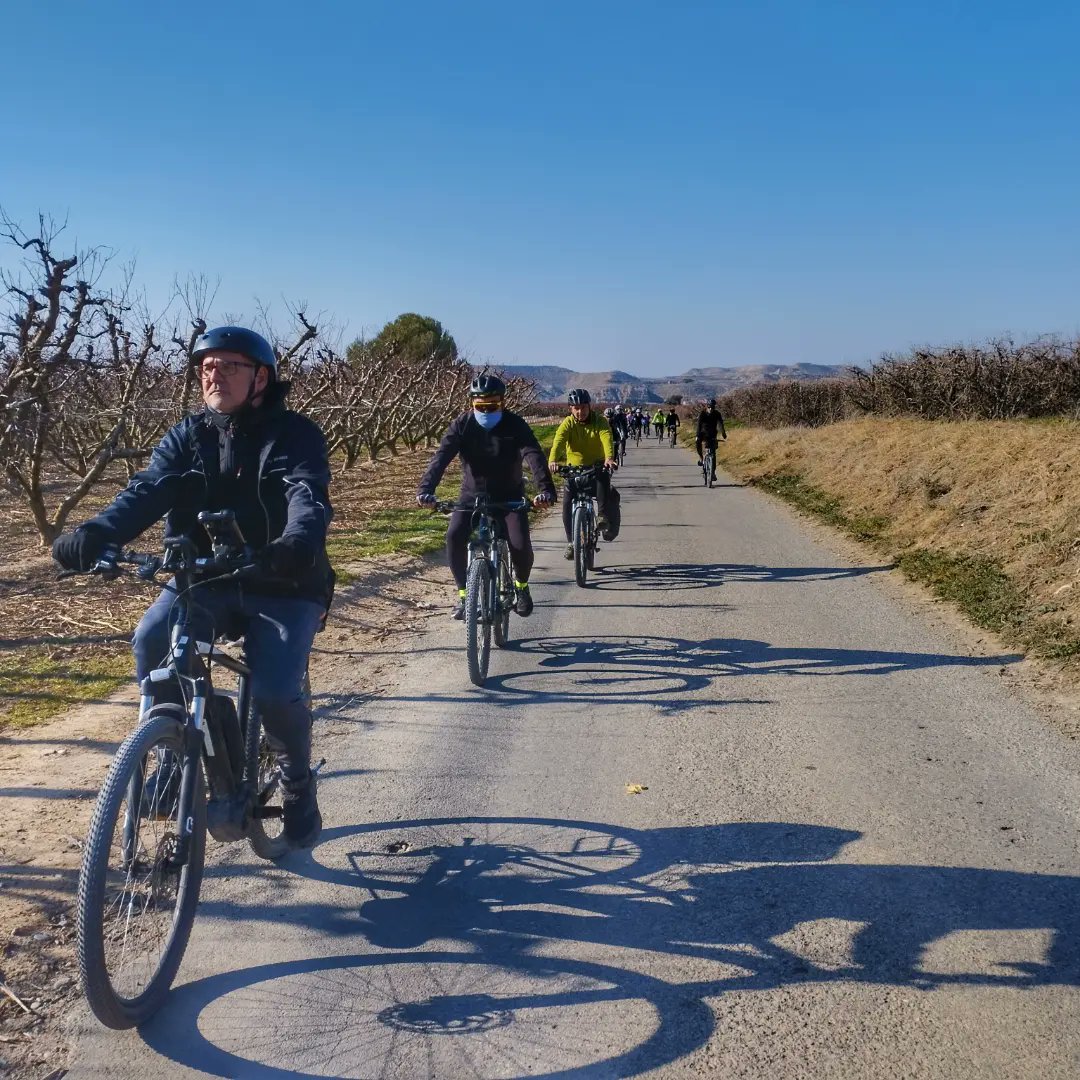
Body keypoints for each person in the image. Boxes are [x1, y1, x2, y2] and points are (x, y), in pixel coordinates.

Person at [51, 326, 334, 850]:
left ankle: (297, 779)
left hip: (286, 581)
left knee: (273, 689)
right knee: (153, 640)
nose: (213, 374)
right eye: (207, 366)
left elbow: (306, 495)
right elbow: (147, 491)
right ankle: (168, 751)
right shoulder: (188, 435)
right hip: (204, 577)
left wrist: (296, 543)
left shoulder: (296, 435)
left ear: (261, 377)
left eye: (228, 365)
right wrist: (97, 532)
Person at [416, 374, 556, 619]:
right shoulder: (462, 424)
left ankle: (521, 588)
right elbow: (441, 457)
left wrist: (545, 490)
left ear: (503, 402)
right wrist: (426, 490)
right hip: (472, 495)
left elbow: (533, 454)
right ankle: (463, 594)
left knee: (520, 544)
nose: (486, 410)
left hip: (509, 496)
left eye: (492, 405)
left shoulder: (515, 424)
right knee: (454, 536)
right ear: (471, 403)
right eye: (480, 406)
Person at [549, 389, 618, 557]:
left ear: (589, 406)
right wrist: (552, 461)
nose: (580, 412)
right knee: (566, 504)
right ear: (571, 409)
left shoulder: (600, 421)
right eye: (576, 408)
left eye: (583, 407)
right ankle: (571, 543)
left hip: (596, 468)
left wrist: (609, 458)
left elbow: (606, 437)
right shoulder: (568, 423)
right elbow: (558, 441)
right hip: (574, 471)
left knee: (605, 484)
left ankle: (602, 517)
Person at [695, 398, 728, 480]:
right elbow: (699, 425)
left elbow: (720, 423)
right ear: (707, 406)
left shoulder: (717, 414)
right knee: (697, 442)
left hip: (713, 433)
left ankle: (712, 472)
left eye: (712, 407)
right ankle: (701, 458)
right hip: (703, 433)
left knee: (713, 454)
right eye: (709, 407)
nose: (711, 409)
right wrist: (697, 435)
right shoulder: (702, 413)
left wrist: (723, 433)